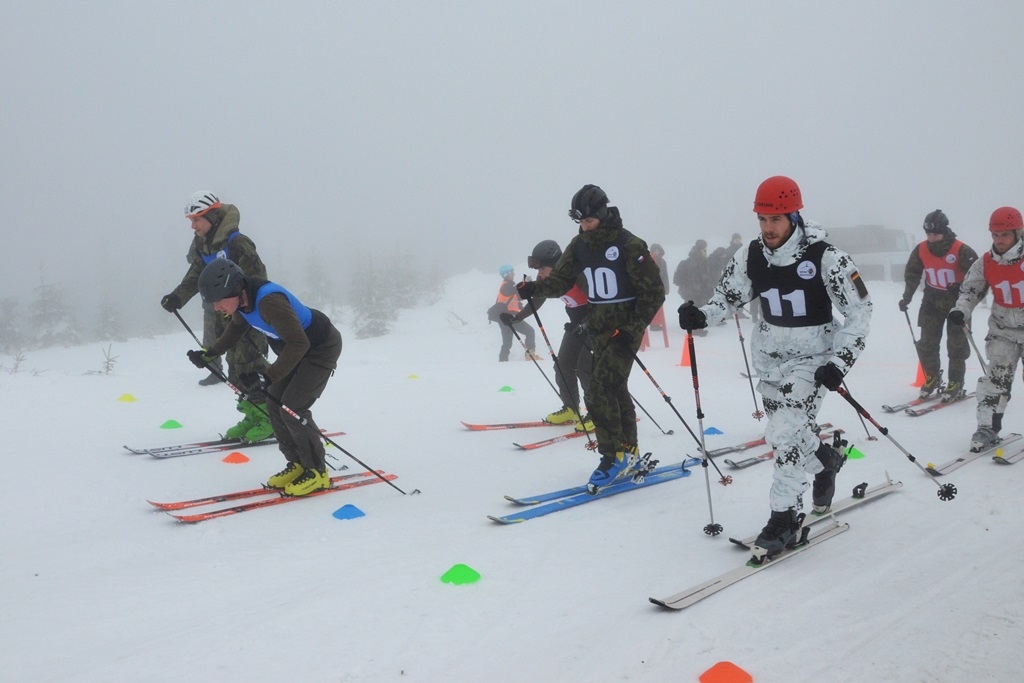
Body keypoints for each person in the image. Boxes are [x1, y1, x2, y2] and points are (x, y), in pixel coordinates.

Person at [678, 176, 872, 563]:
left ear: (795, 216)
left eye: (776, 219)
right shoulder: (751, 255)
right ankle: (826, 461)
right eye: (762, 219)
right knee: (791, 433)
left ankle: (784, 518)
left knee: (783, 435)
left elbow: (859, 311)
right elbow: (728, 298)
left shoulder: (826, 256)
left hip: (813, 360)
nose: (768, 228)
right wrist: (701, 314)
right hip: (768, 358)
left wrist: (840, 362)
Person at [517, 184, 665, 492]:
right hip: (599, 328)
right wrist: (534, 289)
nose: (584, 226)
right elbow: (560, 281)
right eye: (580, 222)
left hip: (624, 330)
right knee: (615, 388)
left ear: (602, 214)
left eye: (588, 220)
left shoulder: (628, 244)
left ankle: (612, 457)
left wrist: (634, 329)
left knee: (598, 391)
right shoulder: (581, 244)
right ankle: (629, 451)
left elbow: (653, 293)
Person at [187, 259, 343, 496]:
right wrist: (210, 354)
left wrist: (267, 377)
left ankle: (317, 472)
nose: (217, 307)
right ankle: (297, 463)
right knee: (273, 403)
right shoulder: (242, 304)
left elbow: (300, 343)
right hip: (295, 350)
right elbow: (236, 330)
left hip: (319, 348)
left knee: (293, 407)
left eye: (219, 299)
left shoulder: (269, 302)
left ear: (235, 289)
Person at [160, 191, 273, 442]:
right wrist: (178, 297)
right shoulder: (202, 245)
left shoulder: (237, 243)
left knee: (251, 365)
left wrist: (249, 313)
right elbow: (195, 276)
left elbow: (257, 280)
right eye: (191, 221)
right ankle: (253, 414)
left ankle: (269, 416)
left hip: (245, 316)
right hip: (218, 313)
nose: (193, 226)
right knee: (234, 368)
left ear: (212, 216)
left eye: (197, 219)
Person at [948, 206, 1024, 453]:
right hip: (1003, 329)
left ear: (1017, 233)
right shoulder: (986, 262)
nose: (999, 240)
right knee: (994, 382)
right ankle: (987, 429)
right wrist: (961, 310)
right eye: (995, 235)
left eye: (1004, 235)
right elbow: (970, 290)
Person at [503, 240, 595, 433]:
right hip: (575, 325)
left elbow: (598, 302)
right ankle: (571, 409)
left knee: (586, 367)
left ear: (555, 264)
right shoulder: (549, 279)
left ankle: (598, 413)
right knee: (563, 365)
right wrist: (516, 318)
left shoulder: (577, 274)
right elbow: (537, 300)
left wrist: (587, 324)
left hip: (594, 323)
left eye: (542, 268)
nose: (539, 274)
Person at [899, 210, 978, 401]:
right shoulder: (921, 249)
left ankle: (956, 382)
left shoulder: (962, 250)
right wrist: (907, 297)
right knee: (927, 343)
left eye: (935, 234)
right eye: (928, 234)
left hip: (956, 305)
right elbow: (912, 274)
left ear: (945, 231)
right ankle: (932, 377)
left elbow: (977, 277)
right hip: (931, 301)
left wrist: (960, 287)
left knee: (956, 345)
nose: (931, 238)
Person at [490, 264, 539, 362]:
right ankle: (530, 355)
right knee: (530, 332)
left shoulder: (508, 286)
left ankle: (502, 361)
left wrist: (526, 287)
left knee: (507, 343)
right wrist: (525, 283)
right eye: (512, 272)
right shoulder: (506, 285)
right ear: (506, 274)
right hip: (509, 317)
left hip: (504, 318)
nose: (514, 273)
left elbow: (518, 295)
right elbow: (515, 290)